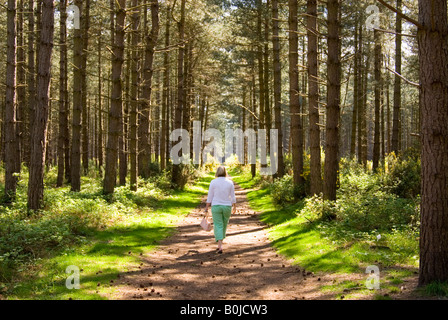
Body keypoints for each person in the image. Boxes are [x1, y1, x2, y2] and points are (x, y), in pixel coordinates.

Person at [204, 166, 236, 253]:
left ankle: (220, 245)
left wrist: (207, 207)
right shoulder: (230, 182)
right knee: (224, 224)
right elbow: (232, 196)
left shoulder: (213, 182)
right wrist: (234, 206)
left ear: (217, 172)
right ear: (225, 172)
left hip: (216, 206)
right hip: (227, 207)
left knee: (218, 225)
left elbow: (210, 196)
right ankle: (220, 243)